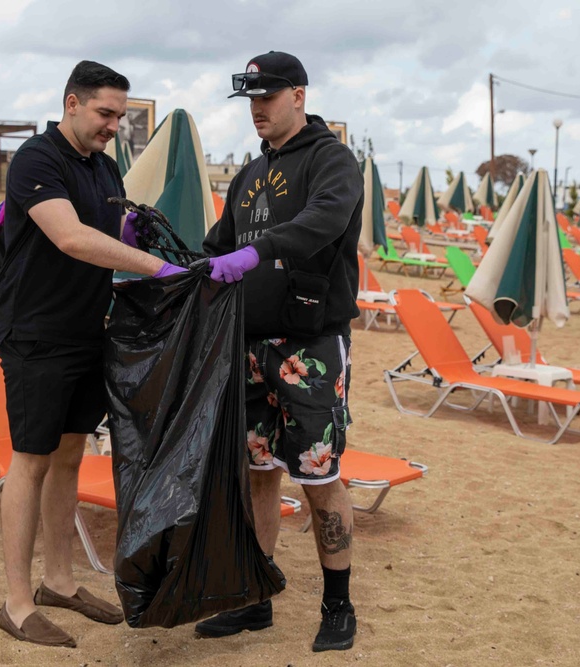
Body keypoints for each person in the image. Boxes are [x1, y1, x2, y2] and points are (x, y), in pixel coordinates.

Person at [0, 60, 184, 648]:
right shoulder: (36, 160)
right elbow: (71, 237)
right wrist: (160, 268)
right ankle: (17, 603)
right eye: (105, 114)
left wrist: (153, 243)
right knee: (30, 459)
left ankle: (60, 581)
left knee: (70, 456)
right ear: (71, 103)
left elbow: (112, 238)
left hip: (85, 331)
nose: (113, 127)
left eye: (120, 117)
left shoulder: (105, 166)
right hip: (35, 333)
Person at [200, 51, 363, 653]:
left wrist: (257, 252)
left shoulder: (333, 160)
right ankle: (255, 600)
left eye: (267, 96)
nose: (257, 108)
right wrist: (168, 255)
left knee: (320, 475)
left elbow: (324, 220)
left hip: (312, 344)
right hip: (247, 341)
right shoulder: (246, 176)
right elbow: (217, 246)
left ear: (298, 93)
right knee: (257, 471)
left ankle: (338, 606)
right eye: (250, 98)